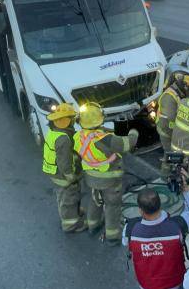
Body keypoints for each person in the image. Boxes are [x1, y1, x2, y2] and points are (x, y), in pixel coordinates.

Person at [123, 171, 189, 289]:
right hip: (173, 286)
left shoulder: (130, 229)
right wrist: (185, 190)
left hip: (147, 286)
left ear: (141, 211)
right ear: (160, 206)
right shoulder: (178, 226)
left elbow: (125, 241)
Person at [73, 102, 139, 245]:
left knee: (95, 201)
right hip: (110, 181)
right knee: (112, 206)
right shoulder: (105, 139)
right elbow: (128, 144)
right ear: (100, 120)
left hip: (91, 179)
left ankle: (93, 225)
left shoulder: (78, 137)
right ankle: (112, 236)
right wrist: (134, 132)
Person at [42, 102, 86, 233]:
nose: (74, 120)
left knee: (64, 195)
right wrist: (70, 176)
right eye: (72, 118)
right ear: (67, 121)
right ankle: (70, 224)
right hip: (62, 174)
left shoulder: (54, 130)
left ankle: (74, 212)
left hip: (54, 171)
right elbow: (64, 161)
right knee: (69, 197)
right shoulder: (63, 139)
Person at [157, 74, 189, 173]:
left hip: (172, 130)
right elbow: (172, 117)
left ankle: (175, 172)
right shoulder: (169, 96)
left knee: (175, 154)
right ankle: (165, 175)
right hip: (166, 131)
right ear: (184, 85)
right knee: (170, 154)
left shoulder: (177, 92)